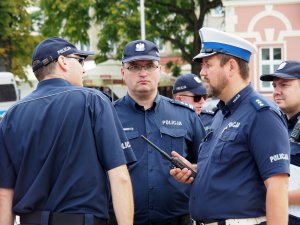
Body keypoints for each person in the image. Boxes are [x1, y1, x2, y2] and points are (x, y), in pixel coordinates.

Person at [0, 37, 135, 225]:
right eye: (79, 60)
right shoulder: (93, 102)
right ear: (63, 61)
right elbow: (119, 175)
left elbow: (4, 193)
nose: (83, 68)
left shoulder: (11, 116)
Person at [170, 27, 290, 225]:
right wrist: (194, 169)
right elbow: (233, 167)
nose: (202, 72)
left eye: (208, 64)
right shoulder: (221, 114)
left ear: (231, 67)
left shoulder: (261, 114)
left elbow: (278, 187)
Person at [112, 40, 206, 225]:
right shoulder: (107, 116)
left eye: (149, 66)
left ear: (160, 70)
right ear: (123, 73)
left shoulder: (185, 114)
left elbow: (205, 164)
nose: (143, 72)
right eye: (134, 67)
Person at [260, 60, 300, 224]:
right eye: (275, 86)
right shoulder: (278, 124)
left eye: (284, 85)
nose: (276, 91)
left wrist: (273, 198)